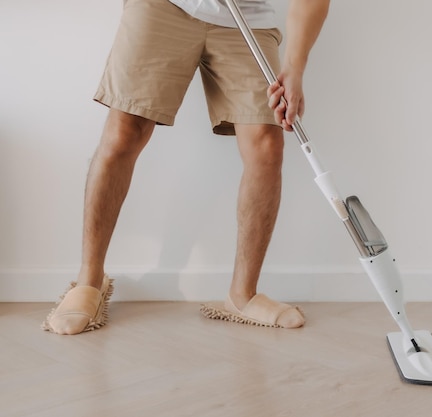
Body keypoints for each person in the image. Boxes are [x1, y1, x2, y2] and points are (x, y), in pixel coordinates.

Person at [42, 0, 330, 335]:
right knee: (125, 131)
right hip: (164, 6)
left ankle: (243, 295)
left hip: (246, 19)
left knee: (266, 143)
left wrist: (294, 70)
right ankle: (89, 281)